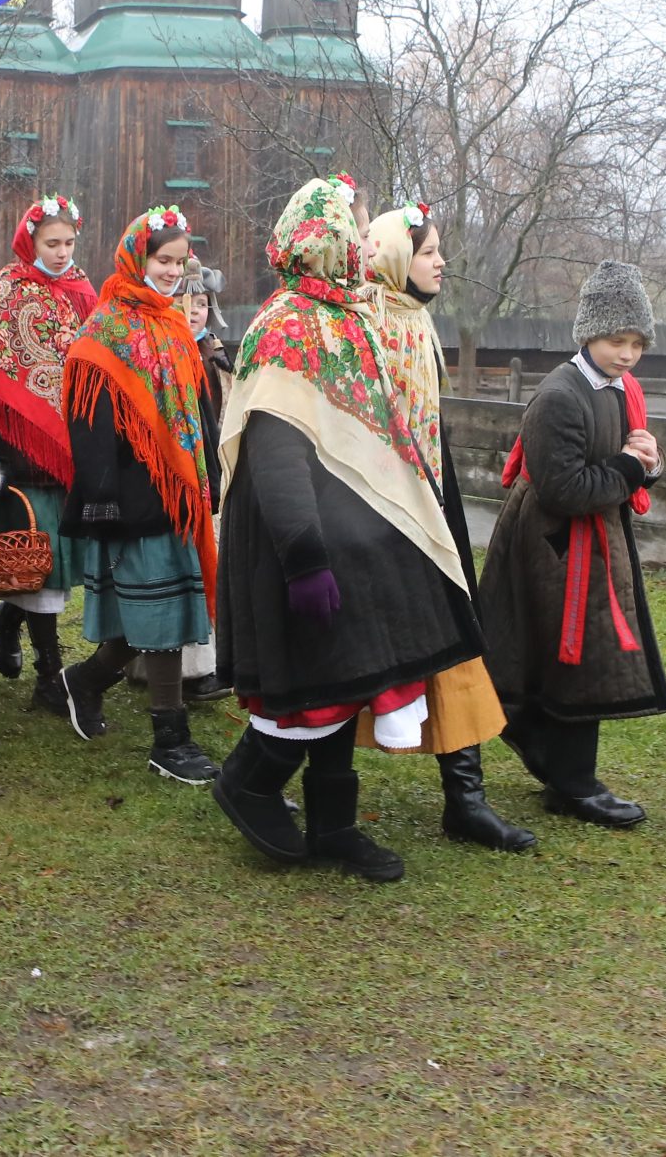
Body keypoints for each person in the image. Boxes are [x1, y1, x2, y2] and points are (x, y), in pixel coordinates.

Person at [209, 178, 488, 884]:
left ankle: (334, 824)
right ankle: (249, 781)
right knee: (315, 682)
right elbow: (275, 447)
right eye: (354, 225)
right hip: (295, 536)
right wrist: (304, 559)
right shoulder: (290, 324)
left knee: (348, 675)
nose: (364, 238)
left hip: (345, 531)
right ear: (324, 236)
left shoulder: (346, 315)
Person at [354, 205, 535, 851]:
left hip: (435, 492)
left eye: (437, 252)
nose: (440, 262)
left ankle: (466, 798)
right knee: (356, 645)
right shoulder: (363, 323)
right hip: (378, 503)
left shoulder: (418, 321)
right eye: (428, 251)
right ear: (397, 257)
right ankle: (306, 789)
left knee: (456, 634)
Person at [476, 257, 666, 832]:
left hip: (591, 540)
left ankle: (566, 773)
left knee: (582, 656)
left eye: (637, 342)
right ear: (588, 333)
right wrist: (629, 471)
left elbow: (619, 467)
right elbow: (562, 488)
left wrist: (648, 463)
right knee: (565, 655)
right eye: (618, 339)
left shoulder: (617, 391)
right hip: (552, 545)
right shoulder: (560, 396)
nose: (629, 354)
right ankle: (569, 777)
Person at [53, 206, 223, 785]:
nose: (173, 271)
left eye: (179, 261)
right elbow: (91, 426)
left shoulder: (175, 325)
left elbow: (196, 409)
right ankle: (169, 741)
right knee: (161, 619)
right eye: (163, 259)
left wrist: (209, 477)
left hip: (180, 493)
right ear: (137, 257)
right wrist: (104, 503)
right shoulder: (105, 331)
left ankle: (85, 681)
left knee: (152, 616)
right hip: (134, 499)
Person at [0, 194, 97, 713]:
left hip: (70, 448)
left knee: (56, 566)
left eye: (68, 243)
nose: (62, 253)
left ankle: (7, 619)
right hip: (18, 453)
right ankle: (50, 675)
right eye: (52, 243)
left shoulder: (83, 291)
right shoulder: (3, 291)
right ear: (30, 241)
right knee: (37, 562)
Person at [176, 273, 235, 704]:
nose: (193, 311)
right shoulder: (167, 347)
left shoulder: (217, 355)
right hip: (179, 464)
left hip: (213, 467)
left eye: (201, 304)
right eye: (186, 302)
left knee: (210, 563)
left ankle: (204, 666)